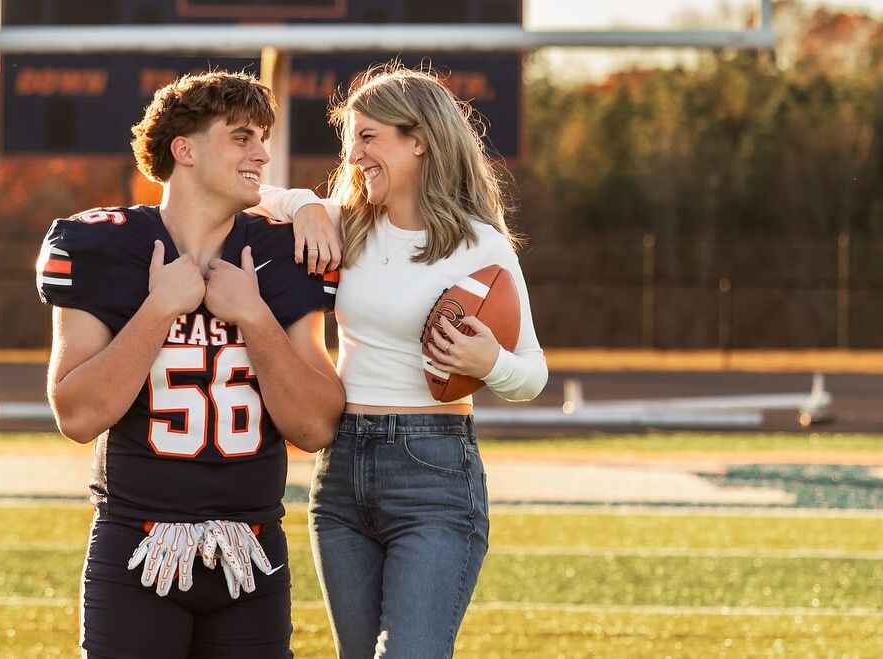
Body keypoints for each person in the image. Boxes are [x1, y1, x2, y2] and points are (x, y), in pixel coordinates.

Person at [37, 70, 345, 659]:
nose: (261, 153)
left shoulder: (283, 254)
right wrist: (159, 310)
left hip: (252, 551)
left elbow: (316, 427)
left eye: (263, 138)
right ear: (185, 149)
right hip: (137, 548)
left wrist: (253, 318)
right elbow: (76, 415)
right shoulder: (102, 246)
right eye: (242, 136)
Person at [254, 65, 548, 658]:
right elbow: (230, 191)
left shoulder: (480, 243)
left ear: (419, 141)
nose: (353, 154)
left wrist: (490, 361)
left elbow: (533, 375)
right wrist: (303, 201)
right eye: (349, 140)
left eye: (368, 137)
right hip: (341, 470)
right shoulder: (347, 225)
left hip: (434, 469)